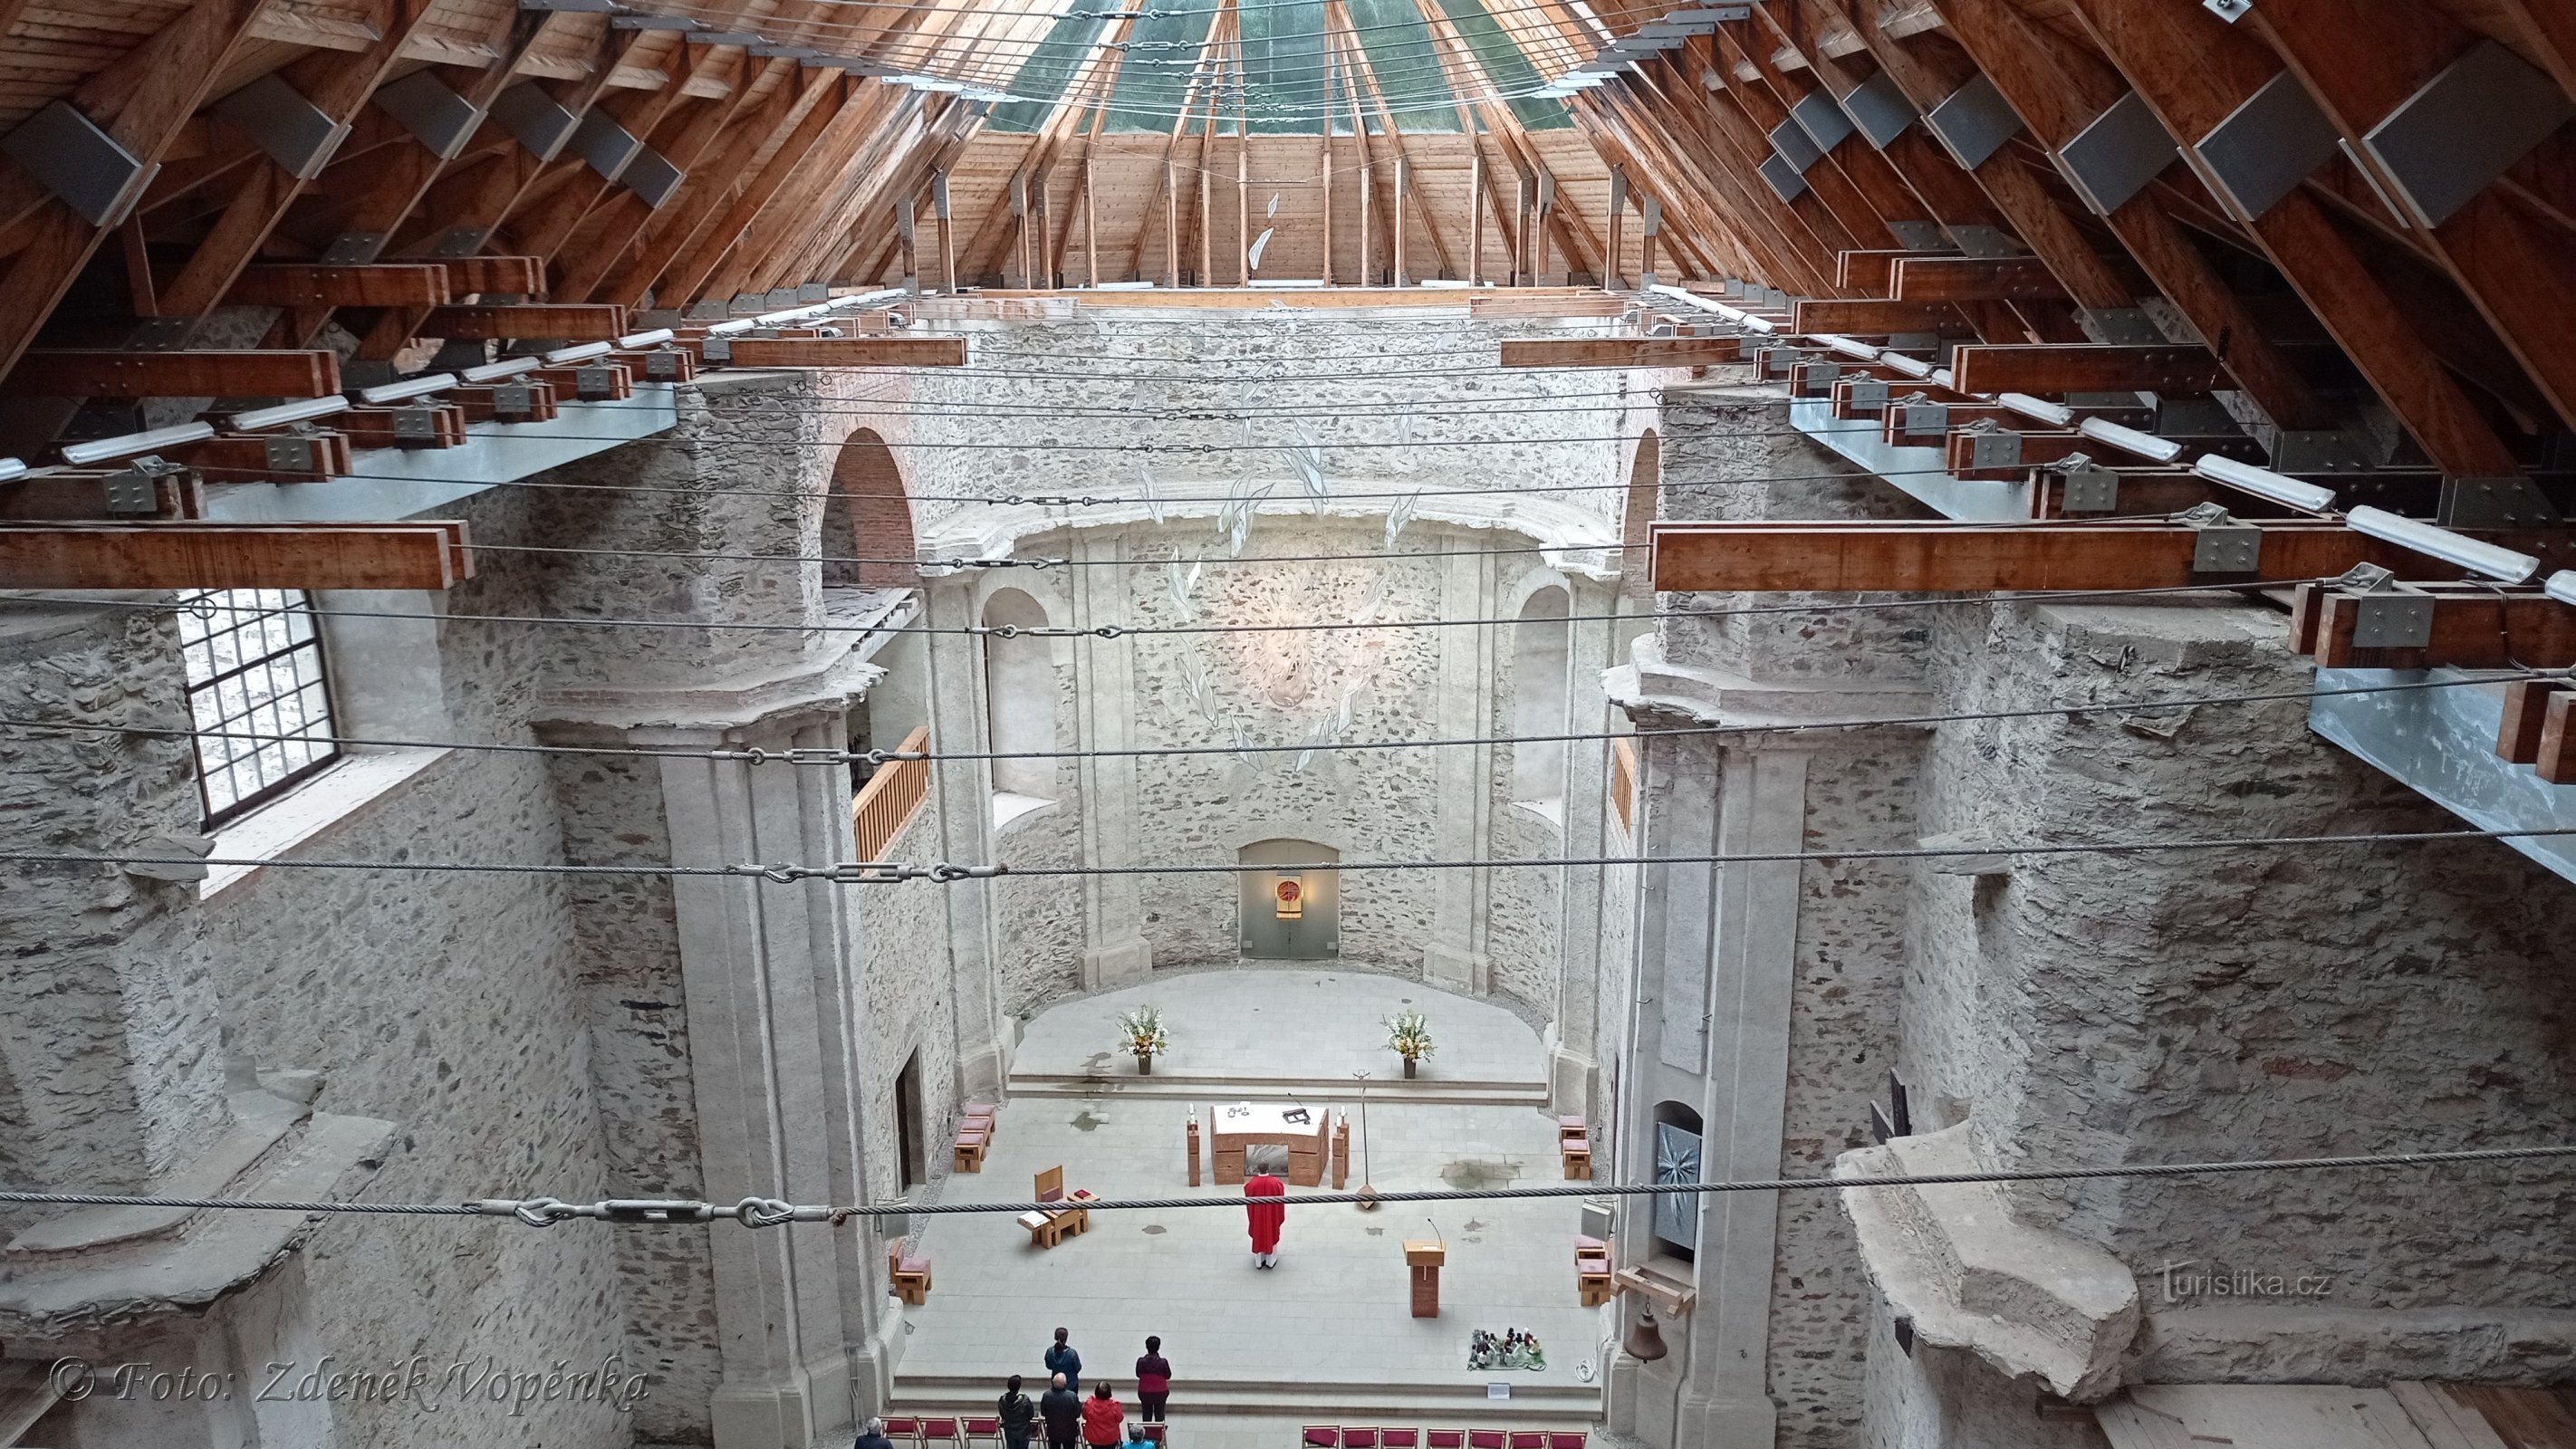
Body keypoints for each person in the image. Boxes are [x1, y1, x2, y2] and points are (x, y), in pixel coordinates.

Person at [1245, 1149, 1286, 1269]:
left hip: (1257, 1217)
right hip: (1271, 1217)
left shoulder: (1251, 1185)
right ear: (1268, 1169)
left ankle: (1259, 1261)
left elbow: (1247, 1194)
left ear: (1258, 1169)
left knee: (1259, 1233)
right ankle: (1270, 1261)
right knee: (1270, 1233)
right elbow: (1280, 1200)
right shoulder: (1276, 1184)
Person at [1133, 1337, 1171, 1423]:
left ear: (1146, 1347)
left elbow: (1138, 1374)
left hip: (1144, 1393)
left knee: (1146, 1414)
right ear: (1158, 1347)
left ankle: (1147, 1431)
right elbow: (1168, 1376)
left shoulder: (1141, 1361)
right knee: (1160, 1414)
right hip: (1160, 1394)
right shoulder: (1163, 1362)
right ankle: (1159, 1430)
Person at [1041, 1372, 1082, 1449]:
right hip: (1069, 1432)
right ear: (1065, 1383)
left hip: (1053, 1431)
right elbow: (1078, 1413)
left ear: (1053, 1382)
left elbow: (1043, 1412)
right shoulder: (1072, 1396)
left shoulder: (1046, 1395)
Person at [1081, 1382, 1126, 1449]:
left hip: (1094, 1438)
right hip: (1110, 1438)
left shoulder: (1089, 1404)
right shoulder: (1115, 1406)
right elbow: (1120, 1419)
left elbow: (1084, 1416)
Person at [999, 1374, 1038, 1449]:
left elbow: (1002, 1414)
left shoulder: (1002, 1400)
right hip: (1023, 1431)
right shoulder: (1025, 1400)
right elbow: (1031, 1414)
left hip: (1009, 1431)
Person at [1045, 1327, 1082, 1392]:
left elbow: (1049, 1366)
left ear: (1055, 1337)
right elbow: (1078, 1368)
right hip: (1071, 1384)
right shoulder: (1072, 1353)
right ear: (1066, 1338)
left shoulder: (1050, 1352)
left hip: (1056, 1384)